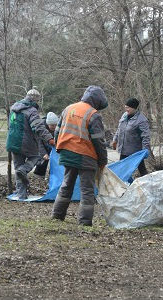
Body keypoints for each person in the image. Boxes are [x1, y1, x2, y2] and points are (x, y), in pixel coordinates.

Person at [51, 86, 109, 226]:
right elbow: (99, 141)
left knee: (66, 185)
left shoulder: (69, 108)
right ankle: (84, 221)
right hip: (85, 155)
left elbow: (57, 131)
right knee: (87, 190)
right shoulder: (93, 114)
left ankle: (57, 216)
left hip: (67, 153)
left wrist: (60, 148)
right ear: (97, 101)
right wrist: (103, 160)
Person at [6, 89, 55, 200]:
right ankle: (24, 170)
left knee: (18, 167)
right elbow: (38, 127)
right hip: (25, 142)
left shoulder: (13, 108)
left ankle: (21, 195)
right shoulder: (31, 110)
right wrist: (50, 139)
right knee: (36, 157)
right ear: (35, 100)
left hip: (12, 141)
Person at [111, 97, 151, 178]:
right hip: (123, 150)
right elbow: (119, 129)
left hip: (135, 152)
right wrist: (115, 140)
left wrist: (145, 150)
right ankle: (123, 187)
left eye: (128, 107)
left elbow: (145, 136)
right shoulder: (124, 116)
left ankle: (149, 184)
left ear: (134, 108)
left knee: (142, 170)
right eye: (126, 107)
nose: (126, 109)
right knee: (122, 170)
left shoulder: (141, 120)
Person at [33, 111, 59, 178]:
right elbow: (39, 143)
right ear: (47, 124)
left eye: (56, 125)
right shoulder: (41, 129)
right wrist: (44, 153)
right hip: (43, 146)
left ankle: (53, 175)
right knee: (43, 160)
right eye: (52, 125)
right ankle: (39, 175)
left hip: (53, 145)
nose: (54, 127)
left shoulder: (58, 128)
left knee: (55, 161)